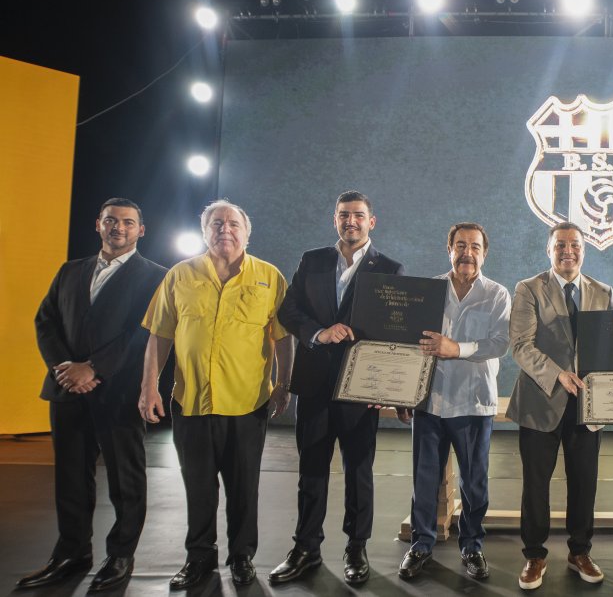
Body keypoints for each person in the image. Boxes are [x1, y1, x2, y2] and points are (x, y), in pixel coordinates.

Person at [138, 199, 293, 590]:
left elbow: (283, 338)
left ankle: (241, 557)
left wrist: (284, 383)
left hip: (247, 404)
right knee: (198, 487)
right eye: (216, 223)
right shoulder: (180, 275)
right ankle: (199, 558)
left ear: (247, 232)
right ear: (204, 231)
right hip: (190, 401)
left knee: (244, 488)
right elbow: (159, 334)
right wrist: (149, 387)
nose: (225, 229)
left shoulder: (269, 277)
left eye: (233, 224)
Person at [19, 198, 166, 592]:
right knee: (70, 478)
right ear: (97, 224)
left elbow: (145, 334)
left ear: (141, 230)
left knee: (125, 480)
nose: (118, 227)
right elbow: (45, 321)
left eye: (128, 222)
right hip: (67, 390)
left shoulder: (157, 276)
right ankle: (71, 553)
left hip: (118, 394)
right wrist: (64, 369)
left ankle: (120, 557)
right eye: (110, 220)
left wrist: (94, 369)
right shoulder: (71, 271)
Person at [268, 191, 403, 586]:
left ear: (371, 222)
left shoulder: (390, 269)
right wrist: (318, 333)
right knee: (311, 470)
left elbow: (393, 331)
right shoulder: (313, 260)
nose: (351, 221)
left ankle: (356, 548)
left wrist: (389, 387)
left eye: (359, 215)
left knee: (359, 471)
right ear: (335, 219)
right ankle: (306, 548)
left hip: (362, 388)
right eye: (344, 215)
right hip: (313, 384)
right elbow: (288, 310)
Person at [506, 222, 613, 590]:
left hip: (588, 405)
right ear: (549, 249)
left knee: (584, 483)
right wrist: (558, 375)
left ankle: (579, 551)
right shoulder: (528, 289)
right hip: (541, 401)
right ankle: (535, 556)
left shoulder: (605, 293)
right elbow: (521, 345)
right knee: (535, 485)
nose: (567, 250)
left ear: (584, 250)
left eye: (574, 245)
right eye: (560, 245)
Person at [397, 222, 511, 581]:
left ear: (484, 253)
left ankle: (472, 546)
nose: (467, 252)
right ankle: (421, 545)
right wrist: (401, 391)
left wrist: (455, 349)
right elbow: (407, 342)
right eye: (461, 245)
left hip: (474, 404)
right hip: (429, 401)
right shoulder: (427, 291)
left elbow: (499, 344)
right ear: (449, 250)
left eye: (475, 247)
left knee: (474, 481)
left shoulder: (497, 294)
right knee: (425, 480)